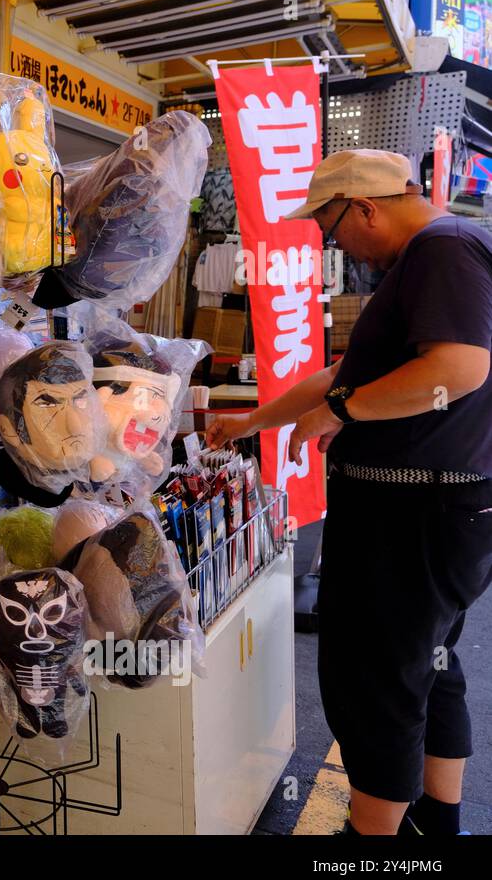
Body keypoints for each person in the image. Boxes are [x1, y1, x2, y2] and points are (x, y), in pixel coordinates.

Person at [208, 149, 492, 835]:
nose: (332, 243)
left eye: (331, 227)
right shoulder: (440, 253)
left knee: (378, 689)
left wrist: (345, 412)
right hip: (434, 510)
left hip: (412, 514)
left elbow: (459, 369)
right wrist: (255, 420)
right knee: (430, 665)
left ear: (364, 207)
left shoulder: (441, 248)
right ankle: (437, 819)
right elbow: (343, 374)